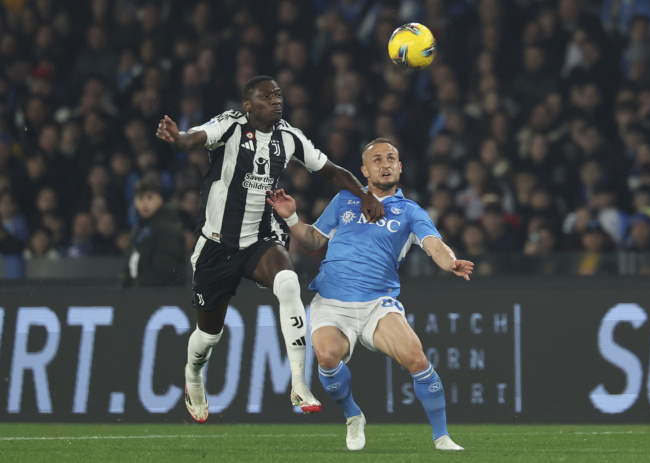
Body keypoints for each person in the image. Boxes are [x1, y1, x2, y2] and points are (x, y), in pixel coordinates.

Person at [155, 75, 385, 423]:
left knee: (289, 283)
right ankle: (193, 375)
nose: (276, 100)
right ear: (248, 105)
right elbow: (193, 139)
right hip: (216, 245)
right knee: (208, 336)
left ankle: (299, 384)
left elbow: (331, 171)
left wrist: (365, 195)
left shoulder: (289, 137)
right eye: (266, 97)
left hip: (259, 239)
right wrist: (177, 139)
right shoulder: (231, 125)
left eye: (278, 95)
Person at [267, 138, 473, 451]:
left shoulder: (409, 211)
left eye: (391, 158)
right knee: (326, 356)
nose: (385, 164)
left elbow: (434, 245)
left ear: (400, 167)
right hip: (331, 302)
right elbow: (312, 241)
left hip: (377, 304)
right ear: (364, 170)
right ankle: (353, 415)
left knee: (417, 359)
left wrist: (451, 262)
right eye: (377, 160)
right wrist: (291, 217)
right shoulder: (344, 200)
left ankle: (442, 437)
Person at [122, 174, 187, 287]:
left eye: (150, 197)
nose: (145, 203)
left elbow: (166, 268)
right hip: (141, 293)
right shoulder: (139, 229)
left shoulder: (167, 229)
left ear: (160, 200)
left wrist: (140, 287)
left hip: (164, 294)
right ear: (135, 202)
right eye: (140, 198)